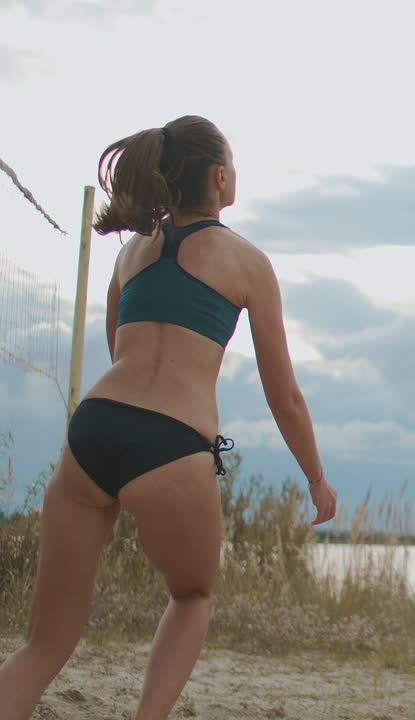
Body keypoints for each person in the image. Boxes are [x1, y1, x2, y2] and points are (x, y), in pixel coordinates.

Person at [0, 115, 337, 720]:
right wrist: (315, 476)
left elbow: (116, 348)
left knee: (44, 643)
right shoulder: (247, 263)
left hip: (95, 427)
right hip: (173, 439)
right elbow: (283, 396)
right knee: (193, 594)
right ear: (219, 177)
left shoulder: (130, 254)